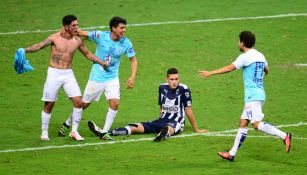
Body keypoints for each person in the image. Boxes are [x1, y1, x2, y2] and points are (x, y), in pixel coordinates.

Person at [198, 31, 292, 161]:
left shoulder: (245, 57)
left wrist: (210, 73)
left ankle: (284, 136)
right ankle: (231, 154)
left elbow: (230, 68)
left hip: (253, 96)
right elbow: (267, 70)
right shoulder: (260, 55)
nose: (238, 43)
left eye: (239, 41)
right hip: (259, 94)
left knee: (256, 124)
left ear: (242, 43)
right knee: (243, 122)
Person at [18, 15, 109, 141]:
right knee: (49, 103)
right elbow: (38, 46)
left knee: (78, 102)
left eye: (77, 25)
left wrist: (102, 63)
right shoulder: (54, 38)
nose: (76, 28)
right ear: (66, 26)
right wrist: (24, 50)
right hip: (54, 73)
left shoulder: (77, 40)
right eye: (74, 25)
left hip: (68, 74)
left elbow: (88, 54)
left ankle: (74, 132)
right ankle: (44, 133)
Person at [58, 16, 138, 140]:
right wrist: (65, 30)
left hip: (112, 78)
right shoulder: (101, 36)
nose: (124, 30)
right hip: (97, 77)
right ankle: (67, 123)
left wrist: (132, 76)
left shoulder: (126, 42)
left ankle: (104, 133)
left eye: (124, 28)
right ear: (113, 28)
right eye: (121, 28)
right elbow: (80, 32)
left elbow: (133, 60)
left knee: (115, 103)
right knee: (83, 105)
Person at [88, 68, 208, 141]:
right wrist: (161, 115)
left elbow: (188, 110)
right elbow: (161, 105)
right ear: (167, 79)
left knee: (169, 128)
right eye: (172, 79)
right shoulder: (162, 87)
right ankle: (106, 133)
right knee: (136, 126)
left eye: (176, 79)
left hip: (176, 122)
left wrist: (196, 129)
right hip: (161, 120)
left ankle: (164, 134)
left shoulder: (184, 89)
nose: (175, 82)